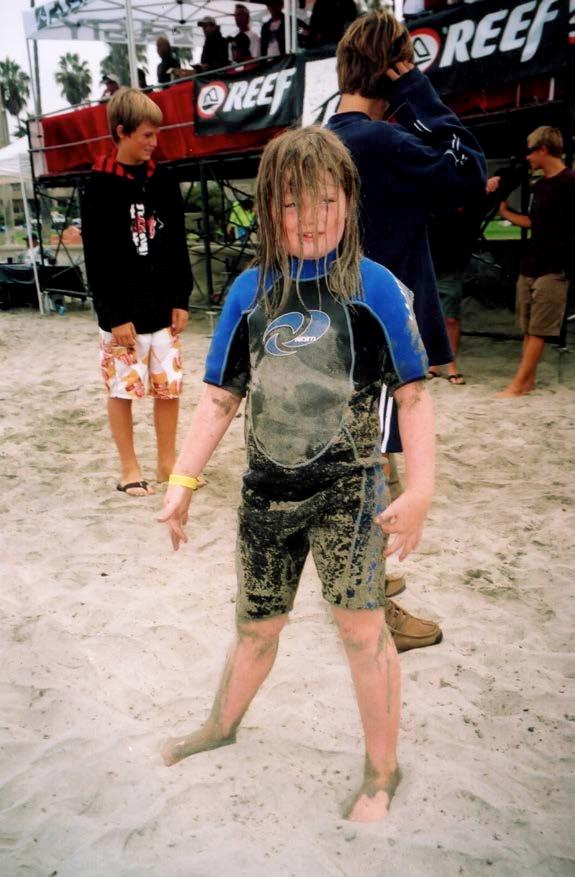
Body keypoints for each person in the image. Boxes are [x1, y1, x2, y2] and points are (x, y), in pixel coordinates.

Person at [159, 126, 435, 822]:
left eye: (325, 199)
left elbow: (412, 395)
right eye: (291, 203)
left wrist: (421, 489)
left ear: (349, 199)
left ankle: (382, 770)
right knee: (257, 625)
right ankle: (220, 724)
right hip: (266, 493)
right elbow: (219, 398)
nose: (310, 218)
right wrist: (182, 482)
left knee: (361, 631)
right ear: (266, 208)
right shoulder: (249, 293)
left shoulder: (375, 288)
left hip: (351, 491)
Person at [327, 10, 486, 648]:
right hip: (382, 340)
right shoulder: (383, 144)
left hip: (333, 335)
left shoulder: (319, 141)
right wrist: (419, 91)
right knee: (371, 479)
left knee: (362, 467)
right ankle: (373, 616)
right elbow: (470, 170)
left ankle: (365, 590)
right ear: (392, 69)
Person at [81, 88, 193, 496]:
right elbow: (96, 256)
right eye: (146, 134)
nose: (153, 142)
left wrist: (181, 298)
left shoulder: (164, 179)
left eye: (156, 134)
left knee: (169, 387)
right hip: (122, 312)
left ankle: (167, 463)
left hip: (163, 307)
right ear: (121, 132)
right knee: (121, 389)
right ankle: (129, 468)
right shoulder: (97, 185)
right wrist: (113, 314)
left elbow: (177, 240)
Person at [497, 126, 575, 397]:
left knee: (540, 328)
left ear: (543, 149)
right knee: (529, 327)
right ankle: (527, 381)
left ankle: (517, 385)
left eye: (530, 151)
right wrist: (506, 213)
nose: (527, 157)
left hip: (555, 267)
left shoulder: (570, 183)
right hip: (532, 263)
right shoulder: (540, 185)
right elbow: (533, 222)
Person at [427, 176, 501, 385]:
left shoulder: (469, 205)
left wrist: (493, 181)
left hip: (450, 268)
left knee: (451, 317)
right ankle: (433, 363)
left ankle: (450, 364)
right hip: (428, 267)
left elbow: (499, 184)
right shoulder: (429, 202)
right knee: (430, 317)